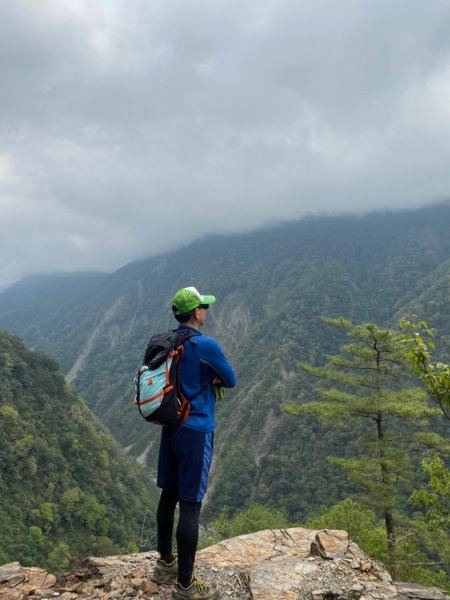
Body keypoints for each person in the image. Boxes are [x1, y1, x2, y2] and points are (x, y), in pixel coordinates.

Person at [151, 286, 236, 600]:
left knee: (168, 496)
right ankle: (185, 587)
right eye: (204, 307)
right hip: (196, 429)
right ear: (197, 312)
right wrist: (210, 378)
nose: (206, 311)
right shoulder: (205, 345)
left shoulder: (168, 341)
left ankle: (165, 564)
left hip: (170, 426)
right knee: (190, 507)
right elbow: (230, 378)